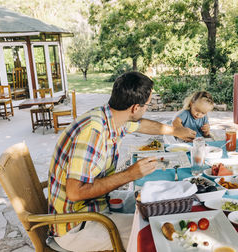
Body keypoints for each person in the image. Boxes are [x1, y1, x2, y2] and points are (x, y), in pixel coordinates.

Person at [47, 72, 196, 251]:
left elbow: (143, 125)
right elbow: (75, 192)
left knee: (157, 206)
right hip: (76, 226)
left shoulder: (112, 117)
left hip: (97, 205)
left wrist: (175, 131)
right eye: (146, 105)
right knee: (154, 234)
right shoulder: (93, 132)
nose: (146, 109)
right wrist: (130, 175)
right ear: (135, 108)